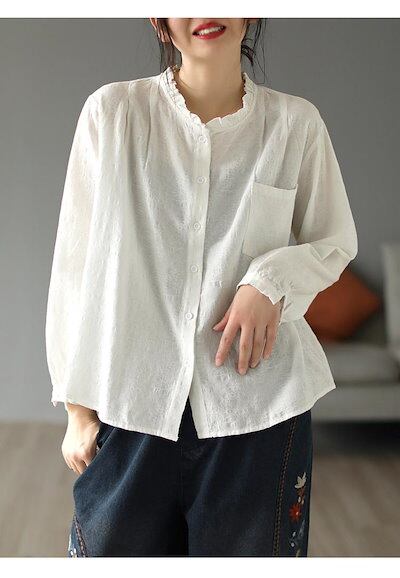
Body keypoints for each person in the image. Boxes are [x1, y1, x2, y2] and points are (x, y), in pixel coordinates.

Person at [45, 18, 358, 557]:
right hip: (131, 409)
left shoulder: (295, 125)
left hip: (259, 412)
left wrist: (269, 281)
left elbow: (334, 241)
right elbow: (75, 269)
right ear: (159, 20)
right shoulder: (113, 114)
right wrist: (77, 409)